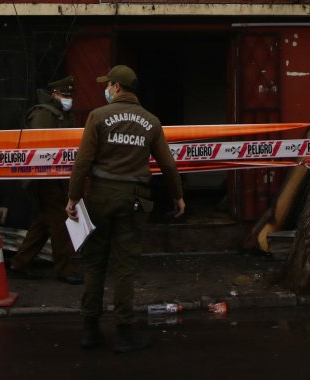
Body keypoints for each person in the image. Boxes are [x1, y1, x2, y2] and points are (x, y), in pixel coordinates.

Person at [66, 64, 185, 353]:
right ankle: (124, 333)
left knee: (95, 264)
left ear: (117, 87)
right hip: (133, 200)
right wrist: (178, 196)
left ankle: (90, 330)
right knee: (124, 267)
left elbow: (83, 162)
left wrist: (73, 197)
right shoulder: (151, 122)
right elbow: (168, 165)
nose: (106, 89)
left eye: (108, 84)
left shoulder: (98, 116)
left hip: (100, 197)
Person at [10, 75, 83, 285]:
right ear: (54, 94)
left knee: (43, 222)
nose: (68, 99)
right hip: (44, 177)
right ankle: (63, 269)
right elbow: (40, 148)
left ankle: (20, 263)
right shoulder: (43, 114)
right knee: (60, 221)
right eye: (64, 94)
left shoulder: (57, 113)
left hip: (54, 176)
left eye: (70, 94)